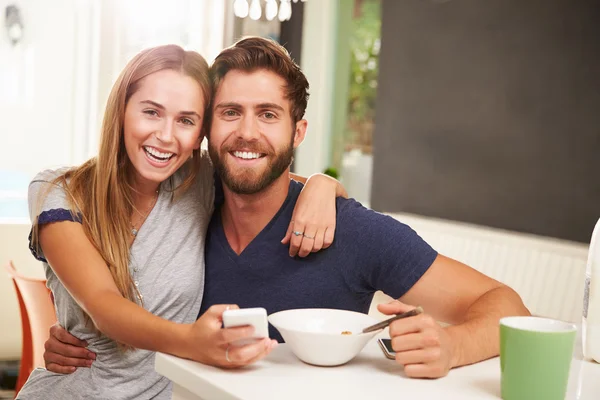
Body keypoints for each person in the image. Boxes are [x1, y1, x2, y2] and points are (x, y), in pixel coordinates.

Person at [44, 37, 530, 381]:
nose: (247, 133)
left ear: (298, 133)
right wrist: (81, 335)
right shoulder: (192, 206)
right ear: (208, 130)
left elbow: (507, 306)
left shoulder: (352, 232)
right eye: (230, 112)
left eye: (269, 115)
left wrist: (451, 347)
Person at [17, 44, 345, 400]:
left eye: (186, 120)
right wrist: (193, 342)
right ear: (121, 111)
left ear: (200, 134)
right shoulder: (58, 192)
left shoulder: (199, 182)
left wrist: (321, 185)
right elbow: (104, 306)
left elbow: (270, 179)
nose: (166, 135)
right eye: (151, 112)